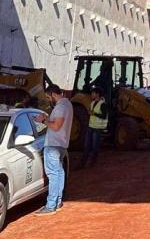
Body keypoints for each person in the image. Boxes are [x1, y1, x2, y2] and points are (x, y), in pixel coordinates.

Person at [33, 84, 73, 215]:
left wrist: (43, 121)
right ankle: (58, 201)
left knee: (53, 174)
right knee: (59, 172)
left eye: (48, 97)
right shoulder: (67, 105)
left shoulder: (61, 107)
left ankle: (51, 206)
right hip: (61, 144)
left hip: (54, 144)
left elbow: (56, 126)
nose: (48, 100)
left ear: (53, 94)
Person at [78, 87, 107, 169]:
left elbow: (104, 116)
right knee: (86, 146)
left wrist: (94, 113)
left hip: (97, 129)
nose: (91, 95)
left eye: (93, 93)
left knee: (95, 147)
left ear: (97, 94)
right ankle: (82, 164)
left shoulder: (102, 104)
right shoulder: (92, 103)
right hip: (90, 127)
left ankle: (92, 163)